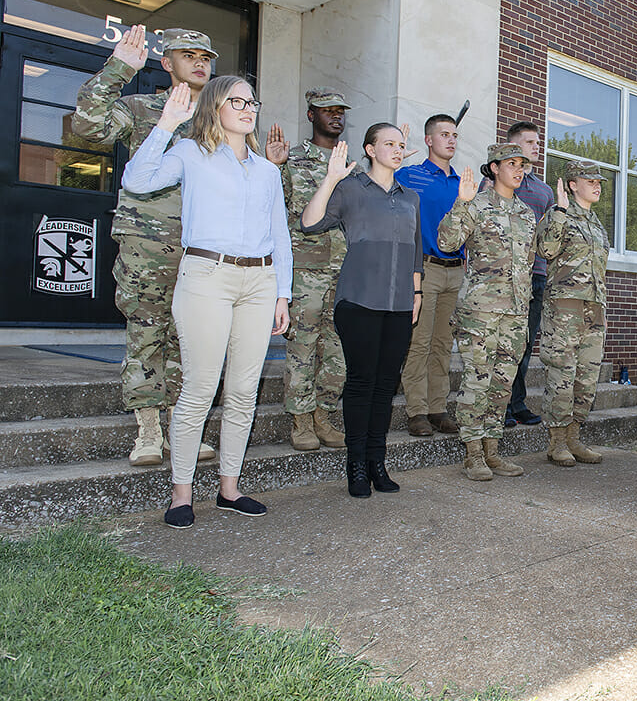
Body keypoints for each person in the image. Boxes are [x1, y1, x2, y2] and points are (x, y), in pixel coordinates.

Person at [122, 76, 292, 530]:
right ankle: (181, 493)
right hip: (206, 276)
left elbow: (280, 235)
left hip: (259, 280)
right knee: (199, 388)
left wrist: (283, 293)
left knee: (243, 390)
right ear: (214, 106)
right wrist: (166, 125)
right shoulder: (190, 152)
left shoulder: (267, 170)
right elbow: (136, 182)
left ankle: (229, 489)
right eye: (236, 100)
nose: (247, 108)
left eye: (251, 101)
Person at [73, 25, 227, 467]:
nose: (200, 62)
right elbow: (88, 126)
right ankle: (147, 430)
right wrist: (119, 68)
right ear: (167, 63)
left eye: (206, 56)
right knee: (146, 334)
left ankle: (184, 426)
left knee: (192, 339)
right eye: (188, 55)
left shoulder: (219, 120)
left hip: (203, 249)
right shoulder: (144, 109)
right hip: (148, 244)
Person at [301, 125, 422, 498]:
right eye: (389, 144)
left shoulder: (411, 197)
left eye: (401, 145)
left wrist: (416, 292)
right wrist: (330, 178)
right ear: (370, 149)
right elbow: (310, 223)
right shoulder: (351, 189)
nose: (397, 150)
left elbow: (416, 248)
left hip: (400, 303)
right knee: (361, 383)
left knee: (386, 387)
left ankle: (377, 462)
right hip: (358, 301)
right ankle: (355, 466)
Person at [437, 143, 536, 481]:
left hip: (516, 312)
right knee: (477, 382)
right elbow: (447, 243)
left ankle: (493, 450)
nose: (519, 170)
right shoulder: (476, 205)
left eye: (522, 164)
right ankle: (473, 453)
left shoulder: (526, 213)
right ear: (494, 168)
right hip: (480, 311)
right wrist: (461, 203)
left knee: (502, 384)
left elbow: (528, 263)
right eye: (512, 163)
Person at [266, 88, 351, 452]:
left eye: (340, 111)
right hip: (304, 270)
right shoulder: (292, 160)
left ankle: (324, 414)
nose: (335, 116)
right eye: (326, 110)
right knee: (303, 348)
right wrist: (273, 166)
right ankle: (301, 419)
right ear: (310, 115)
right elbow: (270, 210)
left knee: (338, 350)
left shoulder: (352, 167)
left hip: (345, 272)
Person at [536, 160, 609, 466]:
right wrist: (560, 213)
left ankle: (575, 438)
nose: (596, 185)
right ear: (571, 184)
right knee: (562, 377)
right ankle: (556, 443)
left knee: (587, 378)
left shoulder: (596, 223)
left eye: (599, 181)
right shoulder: (558, 215)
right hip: (564, 310)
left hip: (594, 310)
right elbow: (545, 250)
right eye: (588, 180)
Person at [396, 115, 464, 438]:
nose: (451, 140)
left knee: (443, 344)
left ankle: (438, 408)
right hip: (425, 270)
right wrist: (397, 159)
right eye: (444, 134)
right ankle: (417, 411)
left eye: (454, 135)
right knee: (419, 343)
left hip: (456, 271)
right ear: (428, 140)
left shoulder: (461, 183)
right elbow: (380, 184)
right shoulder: (411, 176)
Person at [503, 122, 554, 428]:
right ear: (513, 145)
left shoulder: (543, 191)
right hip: (505, 277)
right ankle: (500, 406)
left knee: (523, 345)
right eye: (530, 142)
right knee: (503, 344)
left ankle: (517, 403)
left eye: (538, 142)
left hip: (535, 277)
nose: (537, 147)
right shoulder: (497, 184)